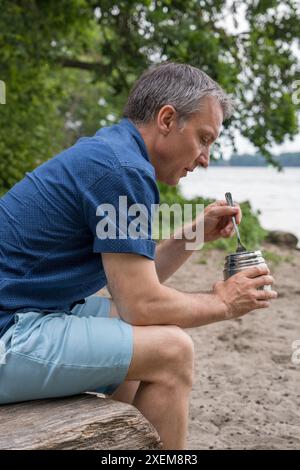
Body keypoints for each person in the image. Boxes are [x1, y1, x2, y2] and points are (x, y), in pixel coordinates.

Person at [0, 62, 277, 449]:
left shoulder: (114, 153)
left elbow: (135, 289)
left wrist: (194, 234)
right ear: (167, 119)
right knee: (173, 351)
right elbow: (141, 304)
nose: (205, 158)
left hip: (25, 311)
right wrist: (224, 302)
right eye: (203, 138)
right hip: (9, 328)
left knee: (142, 340)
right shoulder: (122, 169)